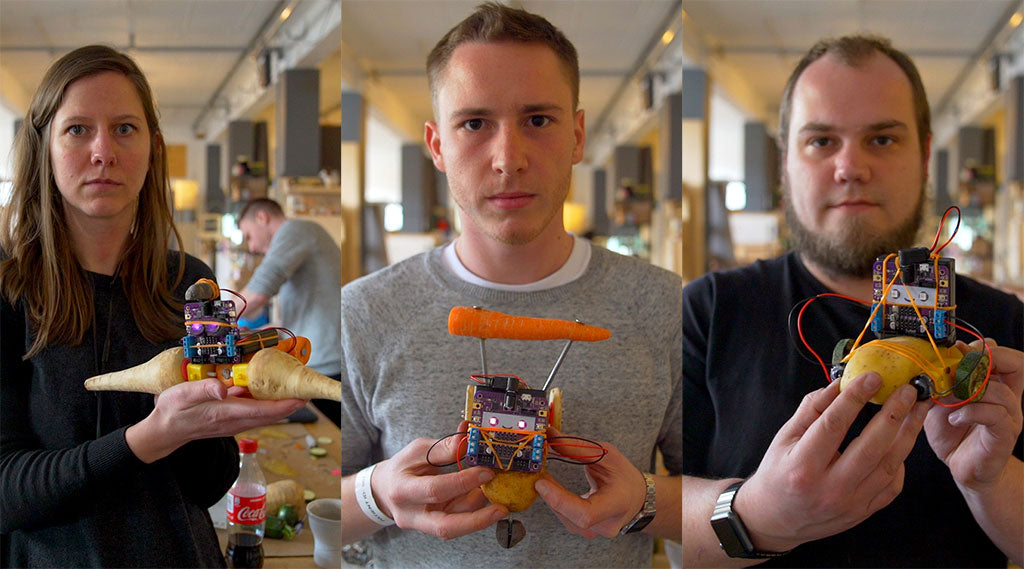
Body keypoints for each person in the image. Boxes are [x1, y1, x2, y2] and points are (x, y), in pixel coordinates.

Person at [338, 3, 681, 568]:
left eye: (538, 121)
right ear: (438, 146)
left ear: (576, 135)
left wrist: (645, 501)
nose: (508, 159)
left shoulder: (668, 305)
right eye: (474, 123)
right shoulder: (364, 310)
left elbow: (725, 500)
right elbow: (318, 509)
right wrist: (376, 496)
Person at [682, 35, 1023, 567]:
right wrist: (758, 515)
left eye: (882, 140)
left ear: (925, 154)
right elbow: (654, 517)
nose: (851, 168)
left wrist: (993, 482)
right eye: (821, 141)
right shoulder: (706, 311)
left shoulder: (1003, 328)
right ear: (784, 162)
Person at [0, 45, 306, 567]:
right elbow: (7, 492)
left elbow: (205, 485)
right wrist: (148, 438)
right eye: (77, 129)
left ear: (152, 147)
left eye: (124, 128)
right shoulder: (10, 287)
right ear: (45, 146)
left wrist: (217, 420)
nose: (104, 151)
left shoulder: (190, 283)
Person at [236, 197, 342, 425]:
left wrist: (212, 320)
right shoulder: (305, 233)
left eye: (248, 235)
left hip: (325, 363)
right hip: (319, 357)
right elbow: (304, 313)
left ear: (262, 218)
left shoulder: (295, 230)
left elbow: (257, 293)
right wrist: (263, 333)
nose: (252, 246)